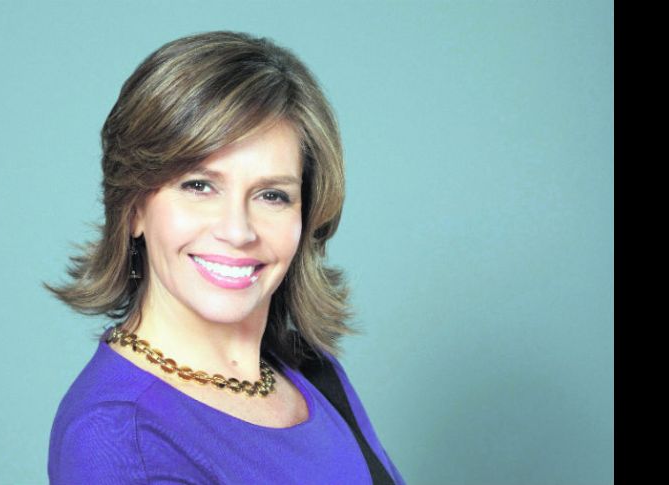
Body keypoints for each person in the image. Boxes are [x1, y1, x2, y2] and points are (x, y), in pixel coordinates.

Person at [45, 31, 406, 485]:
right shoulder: (118, 439)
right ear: (134, 207)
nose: (237, 231)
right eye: (199, 186)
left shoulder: (312, 372)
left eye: (272, 195)